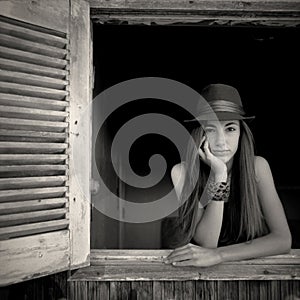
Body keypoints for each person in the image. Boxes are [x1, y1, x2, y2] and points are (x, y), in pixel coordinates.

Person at [163, 83, 291, 267]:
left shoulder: (258, 167)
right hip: (205, 278)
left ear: (241, 133)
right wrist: (219, 176)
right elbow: (208, 242)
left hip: (255, 271)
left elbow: (283, 239)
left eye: (230, 129)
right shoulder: (182, 172)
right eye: (210, 129)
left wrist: (220, 256)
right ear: (200, 134)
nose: (221, 141)